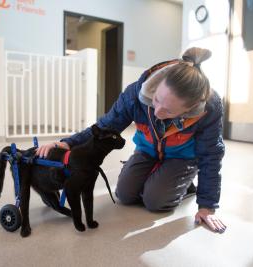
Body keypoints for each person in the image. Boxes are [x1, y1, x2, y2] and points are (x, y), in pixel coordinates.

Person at [36, 47, 226, 233]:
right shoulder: (134, 94)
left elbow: (211, 155)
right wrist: (68, 143)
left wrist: (207, 206)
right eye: (157, 100)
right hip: (148, 151)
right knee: (124, 195)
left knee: (155, 201)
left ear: (191, 109)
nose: (158, 112)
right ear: (156, 85)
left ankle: (186, 184)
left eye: (169, 111)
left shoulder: (210, 108)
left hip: (182, 157)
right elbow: (104, 127)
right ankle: (156, 174)